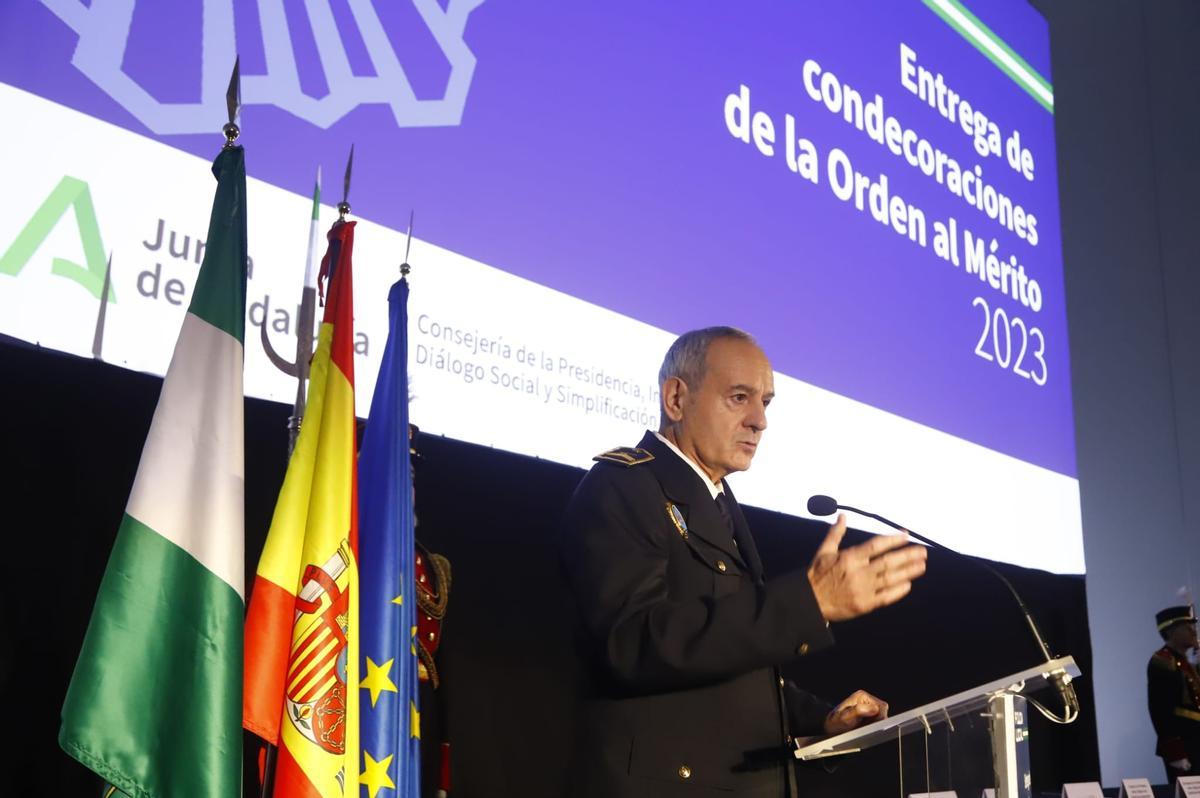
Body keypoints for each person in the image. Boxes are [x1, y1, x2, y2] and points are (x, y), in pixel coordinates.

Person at [561, 327, 928, 797]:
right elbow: (634, 644)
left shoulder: (716, 501)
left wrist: (822, 719)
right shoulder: (623, 487)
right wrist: (807, 602)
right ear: (676, 398)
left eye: (766, 403)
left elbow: (734, 664)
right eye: (739, 397)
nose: (760, 421)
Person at [1148, 604, 1200, 784]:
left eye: (1193, 626)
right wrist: (1175, 751)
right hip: (1184, 743)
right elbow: (1160, 710)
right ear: (1170, 632)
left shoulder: (1189, 662)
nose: (1194, 631)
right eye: (1187, 627)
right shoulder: (1162, 662)